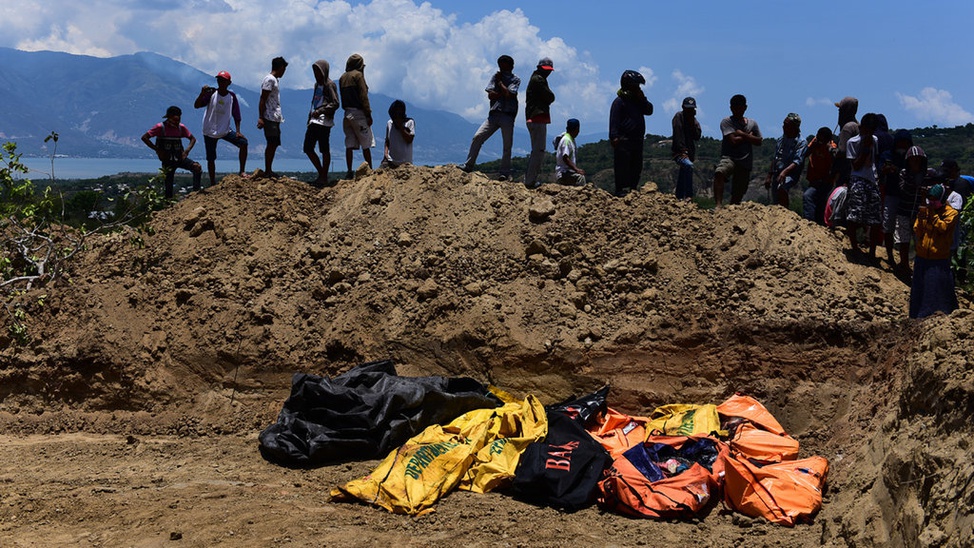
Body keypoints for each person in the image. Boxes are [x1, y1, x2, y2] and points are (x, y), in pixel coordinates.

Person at [461, 55, 520, 181]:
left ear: (511, 66)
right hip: (494, 113)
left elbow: (509, 94)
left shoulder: (515, 79)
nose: (501, 69)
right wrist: (501, 92)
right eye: (500, 66)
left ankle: (504, 172)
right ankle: (468, 165)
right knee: (478, 136)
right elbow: (490, 95)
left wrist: (500, 84)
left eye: (504, 66)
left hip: (508, 115)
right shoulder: (495, 76)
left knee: (507, 145)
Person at [909, 183, 959, 319]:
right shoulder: (925, 211)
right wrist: (921, 217)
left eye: (935, 200)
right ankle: (917, 317)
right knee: (920, 291)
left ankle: (940, 316)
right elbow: (917, 230)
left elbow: (943, 228)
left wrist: (932, 214)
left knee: (937, 292)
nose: (931, 203)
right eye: (930, 200)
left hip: (938, 260)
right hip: (922, 258)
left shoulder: (951, 213)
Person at [193, 70, 247, 186]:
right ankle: (212, 182)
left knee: (243, 143)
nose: (220, 82)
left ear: (229, 83)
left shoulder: (231, 97)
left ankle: (242, 171)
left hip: (225, 130)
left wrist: (238, 131)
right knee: (211, 158)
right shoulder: (211, 93)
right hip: (209, 130)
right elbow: (197, 105)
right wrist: (202, 94)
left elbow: (236, 114)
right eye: (219, 80)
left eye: (223, 80)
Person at [608, 70, 654, 197]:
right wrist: (614, 136)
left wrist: (642, 99)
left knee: (636, 166)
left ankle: (633, 188)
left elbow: (649, 110)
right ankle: (620, 190)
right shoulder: (619, 101)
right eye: (636, 85)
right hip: (623, 140)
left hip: (637, 140)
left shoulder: (638, 101)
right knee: (622, 166)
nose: (638, 88)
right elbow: (614, 120)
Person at [141, 106, 202, 199]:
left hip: (180, 157)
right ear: (168, 118)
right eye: (174, 120)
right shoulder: (160, 127)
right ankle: (168, 204)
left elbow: (192, 139)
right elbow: (145, 137)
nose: (176, 122)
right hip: (167, 160)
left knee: (197, 167)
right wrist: (157, 149)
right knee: (168, 184)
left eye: (178, 119)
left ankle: (195, 195)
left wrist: (187, 151)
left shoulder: (181, 128)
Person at [712, 94, 762, 206]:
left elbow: (759, 141)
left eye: (740, 108)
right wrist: (749, 136)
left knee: (739, 192)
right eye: (735, 108)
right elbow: (733, 140)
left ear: (745, 108)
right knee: (720, 172)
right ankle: (718, 206)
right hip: (730, 157)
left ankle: (731, 211)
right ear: (731, 108)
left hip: (745, 161)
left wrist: (741, 134)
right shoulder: (727, 122)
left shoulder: (752, 123)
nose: (738, 111)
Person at [845, 113, 881, 261]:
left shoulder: (875, 140)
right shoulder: (852, 142)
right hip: (858, 180)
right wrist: (865, 148)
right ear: (861, 127)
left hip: (872, 180)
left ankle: (872, 252)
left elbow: (875, 161)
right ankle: (854, 248)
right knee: (854, 216)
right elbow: (856, 165)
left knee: (875, 219)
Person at [893, 146, 929, 276]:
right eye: (913, 160)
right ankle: (904, 264)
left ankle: (920, 267)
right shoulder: (903, 173)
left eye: (918, 160)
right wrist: (912, 178)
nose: (916, 163)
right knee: (904, 240)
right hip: (904, 210)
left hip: (920, 214)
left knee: (920, 241)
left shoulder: (928, 174)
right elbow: (903, 191)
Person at [304, 59, 339, 187]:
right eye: (314, 71)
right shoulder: (316, 85)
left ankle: (323, 176)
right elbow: (315, 101)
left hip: (324, 121)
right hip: (314, 119)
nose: (316, 74)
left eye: (318, 71)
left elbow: (335, 103)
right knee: (308, 148)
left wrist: (321, 111)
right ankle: (322, 174)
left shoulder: (329, 85)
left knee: (324, 149)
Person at [340, 53, 374, 179]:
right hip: (358, 113)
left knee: (349, 143)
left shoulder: (343, 77)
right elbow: (363, 96)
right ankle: (370, 169)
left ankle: (349, 171)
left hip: (347, 113)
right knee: (366, 143)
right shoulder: (358, 76)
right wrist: (368, 114)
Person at [524, 57, 555, 189]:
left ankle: (530, 179)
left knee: (536, 150)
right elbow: (550, 97)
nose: (548, 73)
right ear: (539, 68)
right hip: (537, 117)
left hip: (535, 117)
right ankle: (530, 181)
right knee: (538, 151)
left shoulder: (537, 78)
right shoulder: (539, 80)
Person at [765, 113, 806, 209]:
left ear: (794, 127)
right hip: (777, 172)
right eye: (784, 124)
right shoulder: (781, 140)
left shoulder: (801, 142)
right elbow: (775, 158)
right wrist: (769, 175)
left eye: (787, 125)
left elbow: (797, 161)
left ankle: (785, 212)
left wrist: (784, 172)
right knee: (775, 198)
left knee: (782, 188)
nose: (784, 127)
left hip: (791, 174)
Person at [257, 56, 288, 178]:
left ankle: (269, 169)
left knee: (274, 143)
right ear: (280, 68)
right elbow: (263, 99)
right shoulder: (270, 80)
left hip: (274, 117)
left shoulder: (274, 80)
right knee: (271, 143)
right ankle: (268, 170)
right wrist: (261, 117)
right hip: (269, 116)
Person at [802, 127, 837, 224]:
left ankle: (817, 224)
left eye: (822, 140)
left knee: (820, 203)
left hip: (826, 182)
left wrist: (829, 149)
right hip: (814, 180)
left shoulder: (831, 147)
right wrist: (813, 145)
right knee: (808, 197)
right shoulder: (815, 142)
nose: (819, 141)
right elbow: (804, 154)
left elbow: (835, 163)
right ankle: (809, 222)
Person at [671, 97, 701, 201]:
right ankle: (689, 195)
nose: (689, 111)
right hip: (679, 152)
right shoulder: (678, 117)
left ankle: (679, 196)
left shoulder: (694, 121)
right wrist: (682, 150)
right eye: (688, 109)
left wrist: (692, 123)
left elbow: (697, 136)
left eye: (691, 109)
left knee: (684, 171)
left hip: (690, 153)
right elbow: (678, 134)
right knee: (688, 166)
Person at [833, 97, 859, 189]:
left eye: (840, 110)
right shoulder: (857, 126)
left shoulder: (847, 128)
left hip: (845, 175)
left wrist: (831, 148)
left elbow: (842, 152)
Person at [381, 100, 415, 168]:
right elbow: (387, 141)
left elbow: (409, 139)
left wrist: (401, 127)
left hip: (405, 163)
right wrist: (385, 155)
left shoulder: (409, 122)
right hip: (391, 162)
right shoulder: (389, 123)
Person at [553, 118, 585, 187]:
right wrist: (576, 170)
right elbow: (565, 157)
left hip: (566, 172)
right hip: (563, 173)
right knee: (580, 178)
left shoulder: (569, 138)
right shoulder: (566, 140)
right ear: (577, 129)